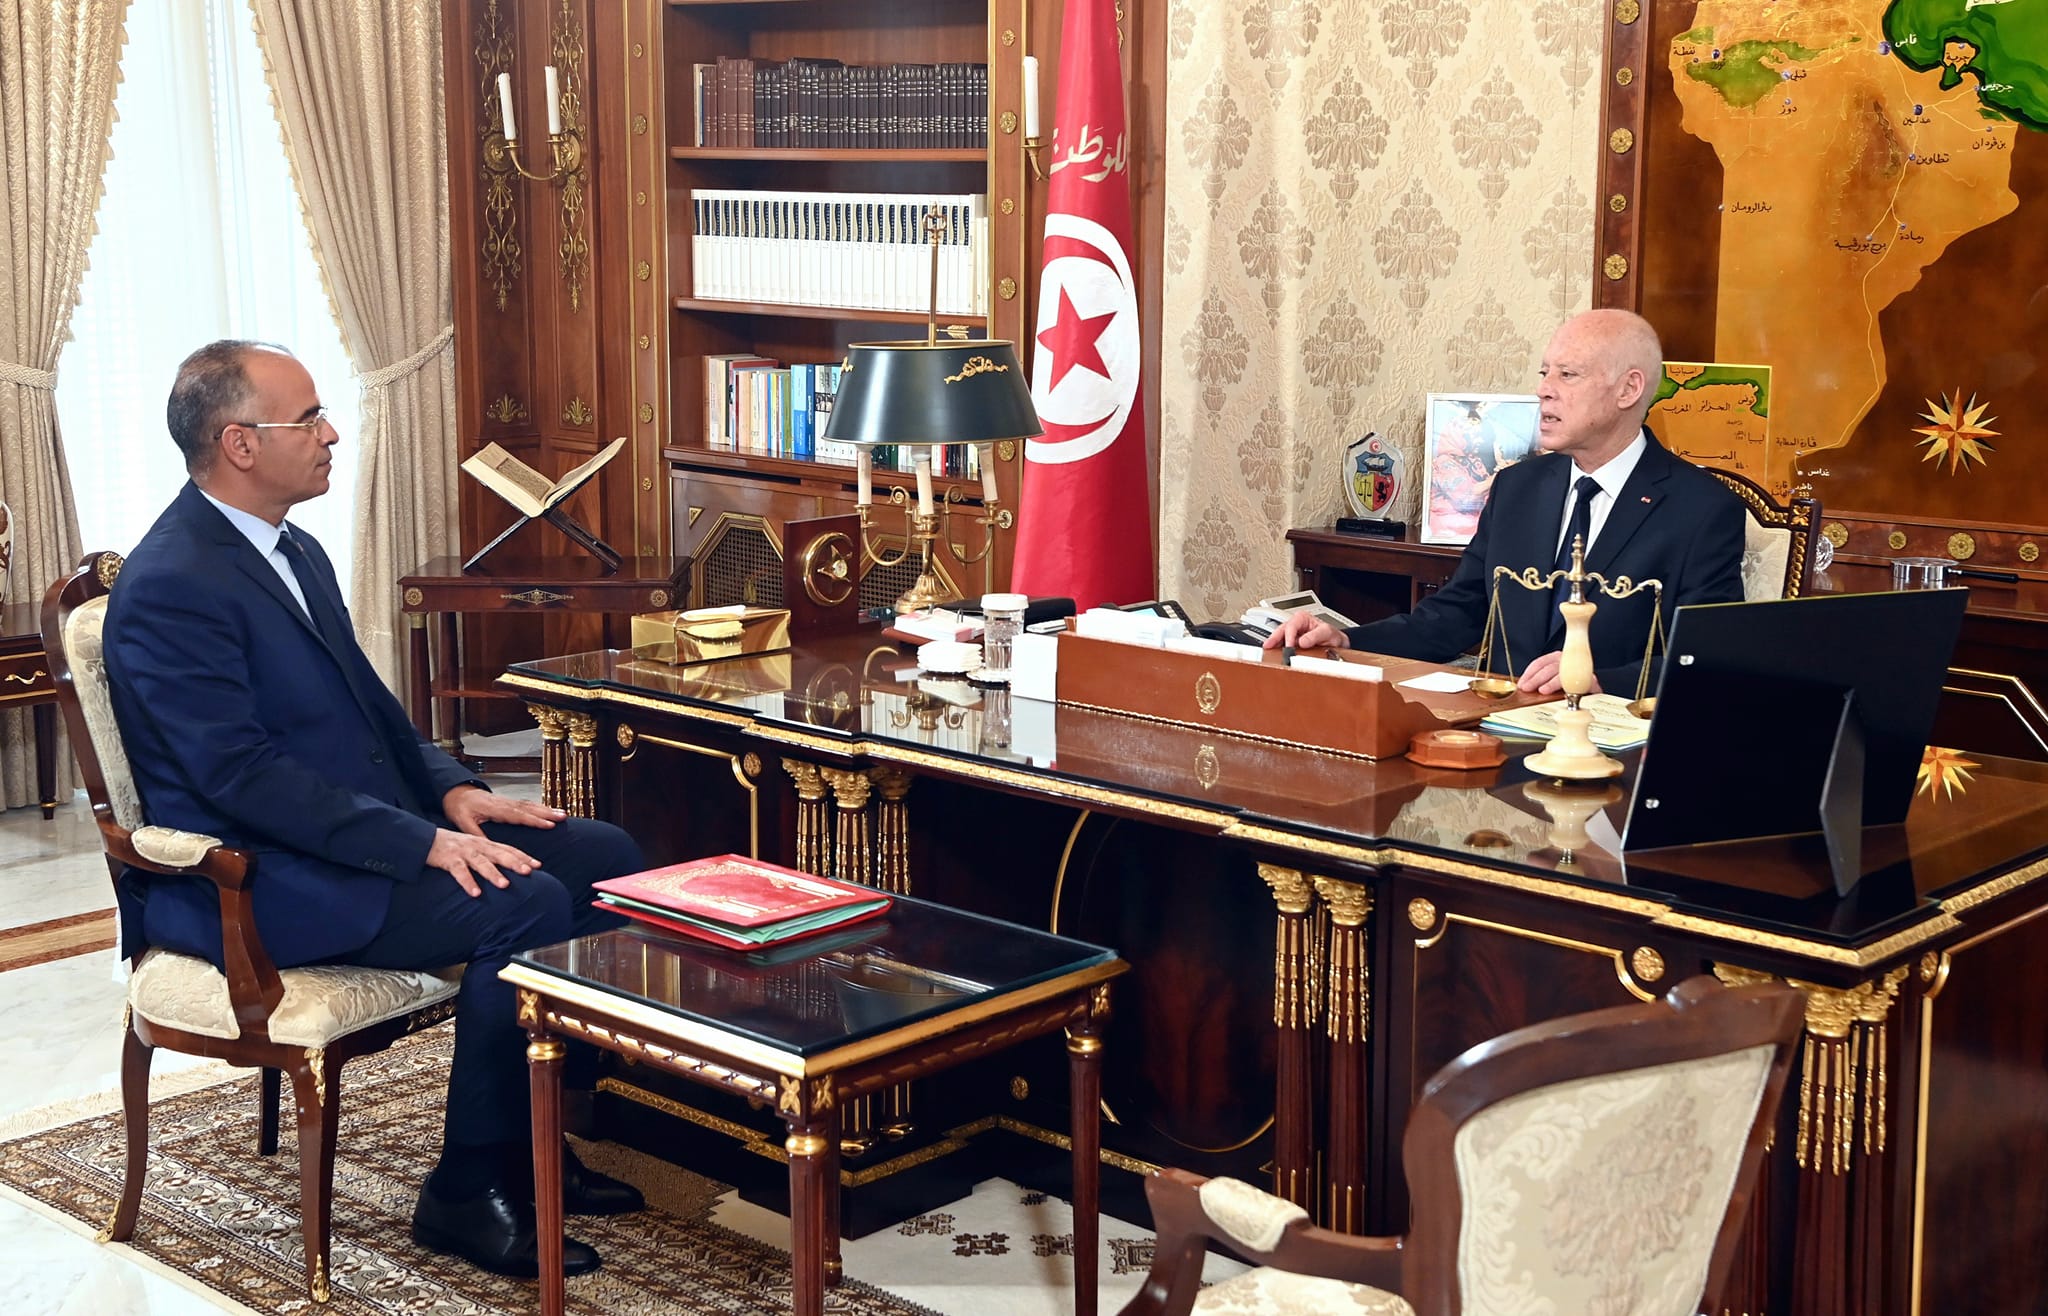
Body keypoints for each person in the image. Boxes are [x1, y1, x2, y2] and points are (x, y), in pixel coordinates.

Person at [103, 341, 643, 1279]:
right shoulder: (170, 585)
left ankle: (539, 1139)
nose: (332, 434)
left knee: (604, 858)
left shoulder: (294, 548)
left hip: (341, 838)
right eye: (309, 418)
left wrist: (452, 791)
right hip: (256, 881)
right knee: (521, 905)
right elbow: (241, 778)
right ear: (239, 444)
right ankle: (468, 1188)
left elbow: (370, 706)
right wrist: (420, 842)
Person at [1270, 309, 1745, 694]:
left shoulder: (1701, 509)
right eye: (1544, 372)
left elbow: (1707, 657)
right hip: (1498, 730)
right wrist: (1347, 639)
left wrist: (1600, 679)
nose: (1544, 389)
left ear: (1629, 389)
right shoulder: (1518, 487)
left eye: (1568, 374)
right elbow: (1457, 613)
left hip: (1611, 740)